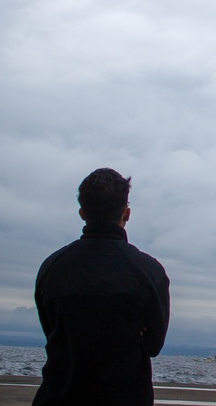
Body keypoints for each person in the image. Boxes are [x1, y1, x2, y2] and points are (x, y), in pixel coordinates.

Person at [33, 168, 170, 406]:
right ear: (126, 213)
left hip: (58, 396)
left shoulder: (52, 267)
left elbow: (50, 328)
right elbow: (154, 345)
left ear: (82, 212)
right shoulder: (149, 272)